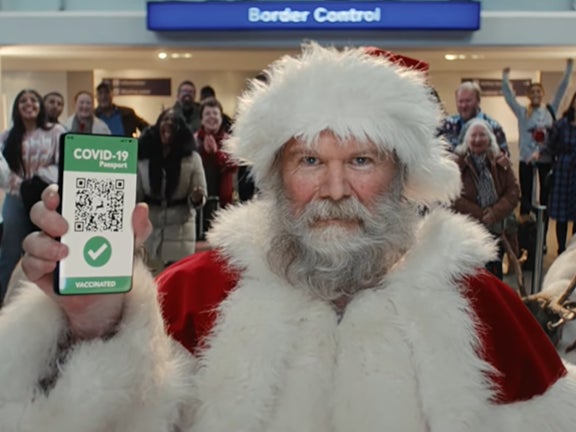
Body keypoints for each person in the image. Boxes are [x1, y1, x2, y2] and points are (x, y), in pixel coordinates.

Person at [4, 43, 576, 431]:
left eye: (360, 159)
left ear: (404, 176)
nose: (333, 188)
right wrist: (92, 327)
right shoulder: (190, 301)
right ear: (276, 176)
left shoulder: (482, 308)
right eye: (308, 159)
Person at [0, 89, 65, 303]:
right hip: (15, 197)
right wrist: (19, 183)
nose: (29, 104)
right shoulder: (8, 136)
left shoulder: (56, 132)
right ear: (16, 107)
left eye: (33, 100)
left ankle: (40, 302)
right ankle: (5, 301)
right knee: (10, 250)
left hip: (45, 197)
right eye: (23, 101)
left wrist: (37, 178)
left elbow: (63, 162)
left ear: (40, 106)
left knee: (44, 250)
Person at [502, 60, 573, 222]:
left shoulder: (550, 110)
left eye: (538, 91)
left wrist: (569, 69)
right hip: (526, 160)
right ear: (528, 95)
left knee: (545, 197)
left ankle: (543, 234)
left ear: (543, 93)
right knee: (526, 196)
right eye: (532, 92)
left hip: (545, 159)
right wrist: (505, 77)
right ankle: (527, 233)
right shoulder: (522, 112)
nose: (535, 94)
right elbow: (509, 97)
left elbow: (561, 90)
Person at [137, 108, 206, 270]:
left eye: (174, 122)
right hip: (149, 230)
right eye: (165, 120)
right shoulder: (143, 157)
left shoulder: (192, 158)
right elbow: (136, 195)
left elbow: (201, 195)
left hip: (180, 231)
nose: (168, 124)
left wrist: (196, 197)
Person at [451, 118, 520, 279]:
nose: (477, 139)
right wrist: (480, 214)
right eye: (473, 135)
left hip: (497, 232)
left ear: (490, 138)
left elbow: (513, 191)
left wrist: (495, 212)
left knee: (494, 277)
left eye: (482, 135)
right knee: (472, 278)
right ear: (466, 139)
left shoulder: (500, 161)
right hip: (468, 233)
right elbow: (451, 197)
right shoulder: (456, 164)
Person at [194, 98, 237, 239]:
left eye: (215, 113)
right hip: (197, 205)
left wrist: (216, 153)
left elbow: (234, 165)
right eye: (207, 114)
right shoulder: (193, 140)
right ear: (201, 120)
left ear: (221, 117)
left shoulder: (229, 141)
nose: (211, 117)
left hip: (223, 203)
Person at [438, 81, 509, 154]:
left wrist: (500, 157)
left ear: (478, 101)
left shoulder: (494, 126)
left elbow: (505, 155)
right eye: (460, 101)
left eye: (468, 101)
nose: (464, 106)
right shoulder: (447, 125)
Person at [548, 91, 576, 255]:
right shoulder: (562, 124)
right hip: (564, 170)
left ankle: (573, 250)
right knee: (562, 213)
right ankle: (561, 249)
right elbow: (551, 145)